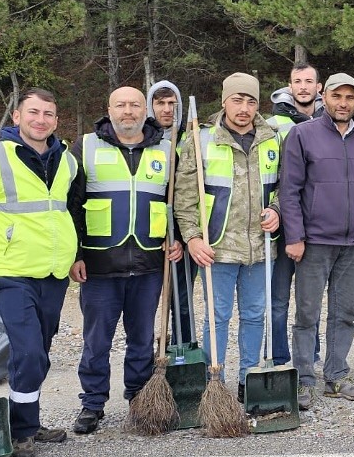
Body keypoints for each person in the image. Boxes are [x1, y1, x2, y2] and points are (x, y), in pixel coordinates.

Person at [0, 88, 79, 457]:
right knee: (27, 351)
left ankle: (28, 419)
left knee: (38, 352)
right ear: (17, 117)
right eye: (34, 113)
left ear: (56, 121)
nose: (41, 120)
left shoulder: (68, 161)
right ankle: (21, 431)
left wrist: (75, 253)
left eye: (49, 114)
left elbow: (71, 210)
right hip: (12, 272)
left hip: (54, 272)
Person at [66, 86, 183, 435]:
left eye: (135, 105)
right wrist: (76, 255)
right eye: (121, 105)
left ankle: (138, 398)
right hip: (100, 265)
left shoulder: (166, 147)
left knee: (141, 338)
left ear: (144, 109)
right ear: (109, 109)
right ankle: (92, 403)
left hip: (148, 264)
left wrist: (174, 238)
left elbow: (174, 200)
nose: (128, 111)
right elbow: (71, 205)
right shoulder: (85, 146)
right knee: (97, 339)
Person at [174, 74, 282, 398]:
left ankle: (248, 381)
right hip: (216, 249)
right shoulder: (202, 140)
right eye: (237, 100)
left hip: (259, 250)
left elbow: (285, 189)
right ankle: (214, 386)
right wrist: (192, 238)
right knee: (217, 318)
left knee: (254, 316)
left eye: (251, 101)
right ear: (224, 102)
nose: (244, 108)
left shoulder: (273, 139)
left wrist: (277, 211)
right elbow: (184, 196)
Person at [278, 73, 354, 406]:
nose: (344, 103)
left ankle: (336, 376)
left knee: (345, 312)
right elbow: (289, 191)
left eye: (350, 98)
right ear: (326, 97)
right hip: (314, 242)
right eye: (338, 96)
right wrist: (294, 236)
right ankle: (305, 379)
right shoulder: (302, 134)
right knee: (307, 313)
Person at [266, 62, 323, 371]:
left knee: (309, 301)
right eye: (297, 81)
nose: (303, 86)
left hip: (315, 226)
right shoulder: (273, 124)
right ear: (289, 86)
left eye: (308, 81)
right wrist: (276, 208)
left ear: (319, 87)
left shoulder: (330, 121)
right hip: (284, 226)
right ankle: (279, 359)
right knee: (279, 300)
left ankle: (310, 358)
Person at [148, 78, 195, 347]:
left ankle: (183, 349)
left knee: (182, 299)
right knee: (149, 300)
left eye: (172, 104)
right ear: (150, 106)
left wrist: (179, 237)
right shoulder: (144, 142)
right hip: (149, 235)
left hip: (182, 236)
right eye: (160, 103)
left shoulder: (190, 142)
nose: (167, 109)